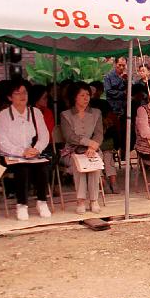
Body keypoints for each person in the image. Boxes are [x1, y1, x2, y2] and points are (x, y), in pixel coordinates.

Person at [0, 81, 51, 221]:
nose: (22, 96)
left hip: (34, 153)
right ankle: (22, 204)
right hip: (12, 155)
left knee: (42, 166)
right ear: (9, 97)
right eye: (17, 93)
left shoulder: (35, 112)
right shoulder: (3, 116)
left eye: (24, 92)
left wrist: (36, 149)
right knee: (22, 169)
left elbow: (44, 135)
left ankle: (42, 201)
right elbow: (2, 142)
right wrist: (21, 152)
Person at [60, 82, 104, 215]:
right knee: (78, 163)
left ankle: (94, 200)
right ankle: (80, 200)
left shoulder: (96, 113)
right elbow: (69, 136)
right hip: (73, 150)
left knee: (94, 161)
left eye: (88, 95)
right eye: (82, 95)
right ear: (74, 97)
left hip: (93, 149)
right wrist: (89, 142)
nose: (86, 98)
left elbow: (99, 133)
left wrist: (94, 145)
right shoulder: (65, 114)